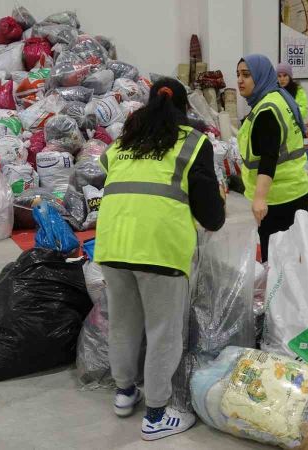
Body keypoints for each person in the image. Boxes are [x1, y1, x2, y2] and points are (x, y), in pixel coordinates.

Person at [94, 77, 225, 441]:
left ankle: (124, 393)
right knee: (164, 332)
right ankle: (155, 413)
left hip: (113, 245)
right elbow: (212, 215)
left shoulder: (122, 144)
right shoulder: (193, 143)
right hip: (160, 248)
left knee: (123, 323)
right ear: (184, 108)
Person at [237, 54, 308, 263]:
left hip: (279, 197)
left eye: (246, 75)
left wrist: (260, 198)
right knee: (292, 258)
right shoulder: (278, 98)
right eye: (238, 75)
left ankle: (279, 295)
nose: (240, 80)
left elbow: (269, 159)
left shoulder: (266, 111)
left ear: (260, 77)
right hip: (294, 189)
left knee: (277, 262)